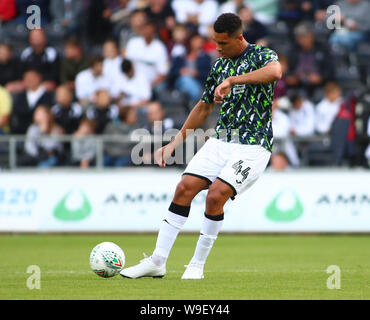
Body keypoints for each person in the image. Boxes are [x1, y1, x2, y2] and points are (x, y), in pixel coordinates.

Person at [120, 13, 281, 280]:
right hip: (221, 141)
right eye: (215, 42)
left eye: (223, 43)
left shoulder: (262, 55)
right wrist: (175, 142)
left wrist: (233, 81)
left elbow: (276, 72)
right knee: (184, 188)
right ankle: (157, 261)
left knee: (216, 195)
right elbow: (203, 106)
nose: (218, 48)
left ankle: (196, 265)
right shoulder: (219, 66)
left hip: (253, 145)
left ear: (239, 38)